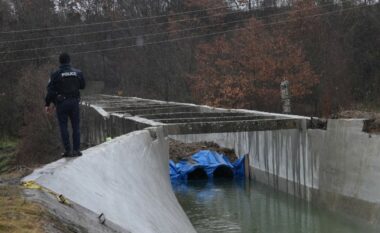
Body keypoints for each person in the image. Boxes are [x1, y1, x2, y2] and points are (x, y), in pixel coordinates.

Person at [45, 53, 85, 157]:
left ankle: (68, 150)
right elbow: (83, 86)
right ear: (69, 61)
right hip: (74, 102)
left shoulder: (55, 74)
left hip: (62, 103)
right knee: (76, 126)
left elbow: (49, 90)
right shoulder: (78, 72)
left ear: (60, 61)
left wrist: (47, 104)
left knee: (63, 127)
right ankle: (76, 150)